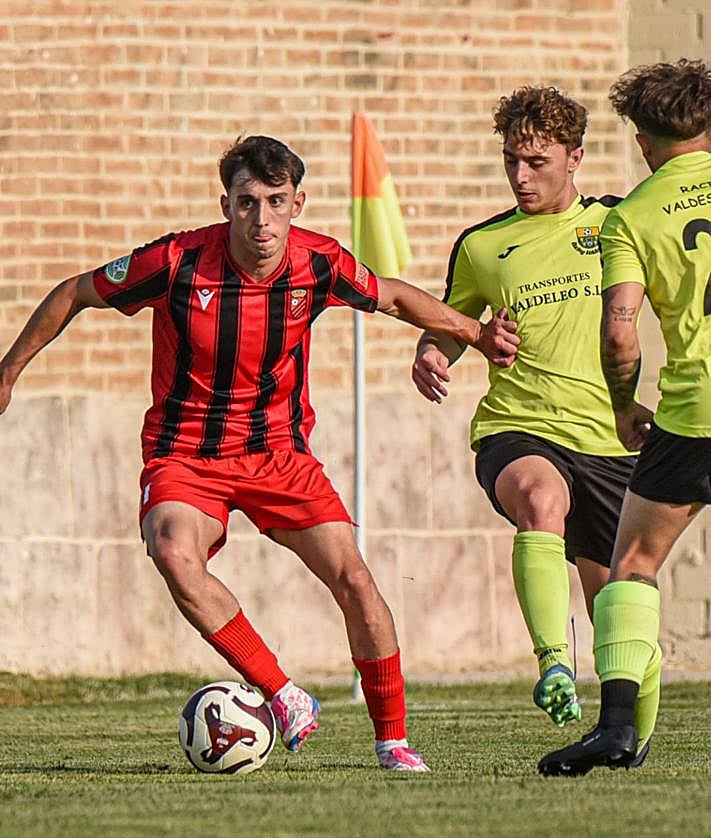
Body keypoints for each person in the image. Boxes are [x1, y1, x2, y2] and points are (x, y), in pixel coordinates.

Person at [0, 135, 519, 773]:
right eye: (248, 202)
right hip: (186, 454)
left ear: (297, 203)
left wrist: (474, 333)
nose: (262, 218)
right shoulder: (176, 261)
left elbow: (392, 296)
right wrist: (9, 371)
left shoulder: (319, 263)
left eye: (276, 201)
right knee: (172, 551)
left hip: (279, 455)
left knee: (354, 580)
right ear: (227, 205)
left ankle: (393, 742)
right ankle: (283, 693)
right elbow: (75, 291)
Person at [412, 86, 652, 744]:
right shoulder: (483, 245)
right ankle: (552, 663)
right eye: (509, 161)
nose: (520, 176)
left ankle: (620, 737)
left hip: (608, 439)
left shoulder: (616, 225)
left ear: (574, 157)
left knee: (621, 611)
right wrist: (433, 352)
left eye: (536, 162)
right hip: (517, 428)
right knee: (540, 501)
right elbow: (450, 323)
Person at [539, 58, 711, 776]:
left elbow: (619, 333)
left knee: (633, 565)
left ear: (640, 140)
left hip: (690, 414)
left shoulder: (630, 216)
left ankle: (613, 730)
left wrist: (620, 405)